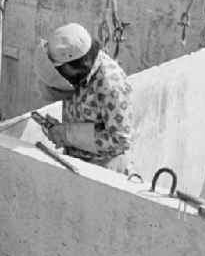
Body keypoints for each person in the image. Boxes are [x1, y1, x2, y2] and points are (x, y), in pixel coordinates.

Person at [34, 23, 134, 174]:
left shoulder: (110, 84)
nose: (60, 75)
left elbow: (120, 140)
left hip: (103, 170)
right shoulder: (78, 75)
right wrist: (61, 131)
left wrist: (68, 135)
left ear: (76, 65)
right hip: (76, 162)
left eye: (60, 70)